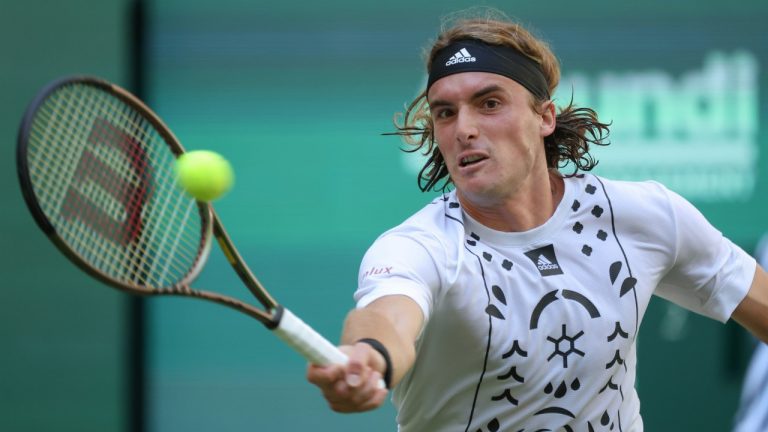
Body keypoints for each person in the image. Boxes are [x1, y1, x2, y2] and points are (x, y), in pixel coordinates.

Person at [306, 10, 768, 431]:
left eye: (489, 103)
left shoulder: (645, 215)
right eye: (445, 112)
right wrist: (371, 357)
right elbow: (386, 315)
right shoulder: (419, 246)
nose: (463, 127)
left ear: (544, 117)